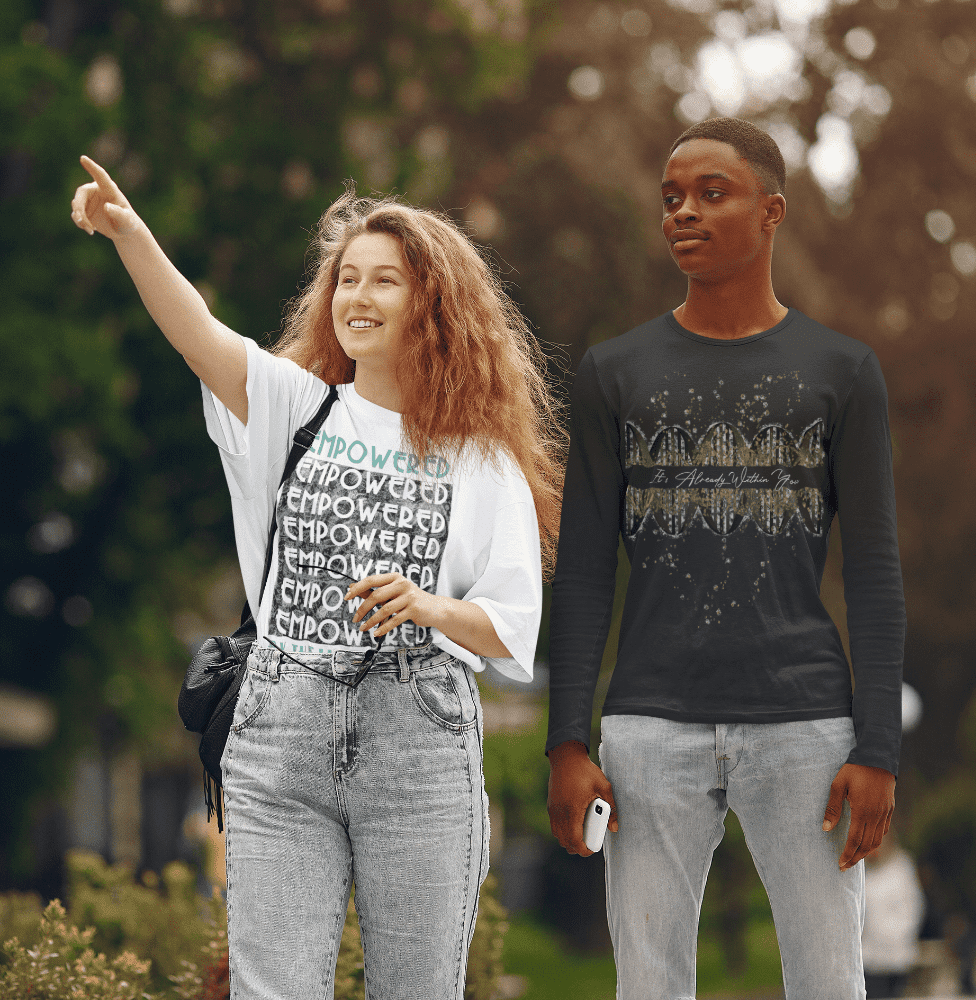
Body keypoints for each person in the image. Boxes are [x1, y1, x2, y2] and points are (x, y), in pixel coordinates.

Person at [70, 155, 564, 999]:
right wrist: (131, 234)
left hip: (418, 737)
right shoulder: (299, 407)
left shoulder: (481, 463)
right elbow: (199, 335)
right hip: (282, 726)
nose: (357, 297)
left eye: (386, 281)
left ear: (434, 306)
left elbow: (511, 624)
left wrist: (427, 606)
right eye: (347, 279)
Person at [545, 117, 905, 999]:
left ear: (771, 211)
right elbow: (585, 569)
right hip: (649, 730)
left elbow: (874, 570)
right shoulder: (613, 372)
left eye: (712, 194)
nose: (684, 213)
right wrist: (566, 740)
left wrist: (879, 746)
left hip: (806, 727)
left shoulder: (842, 371)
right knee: (647, 986)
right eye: (672, 198)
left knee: (830, 983)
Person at [862, 829, 925, 997]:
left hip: (895, 956)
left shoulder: (902, 868)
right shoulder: (864, 871)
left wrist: (890, 935)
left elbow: (912, 909)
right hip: (868, 957)